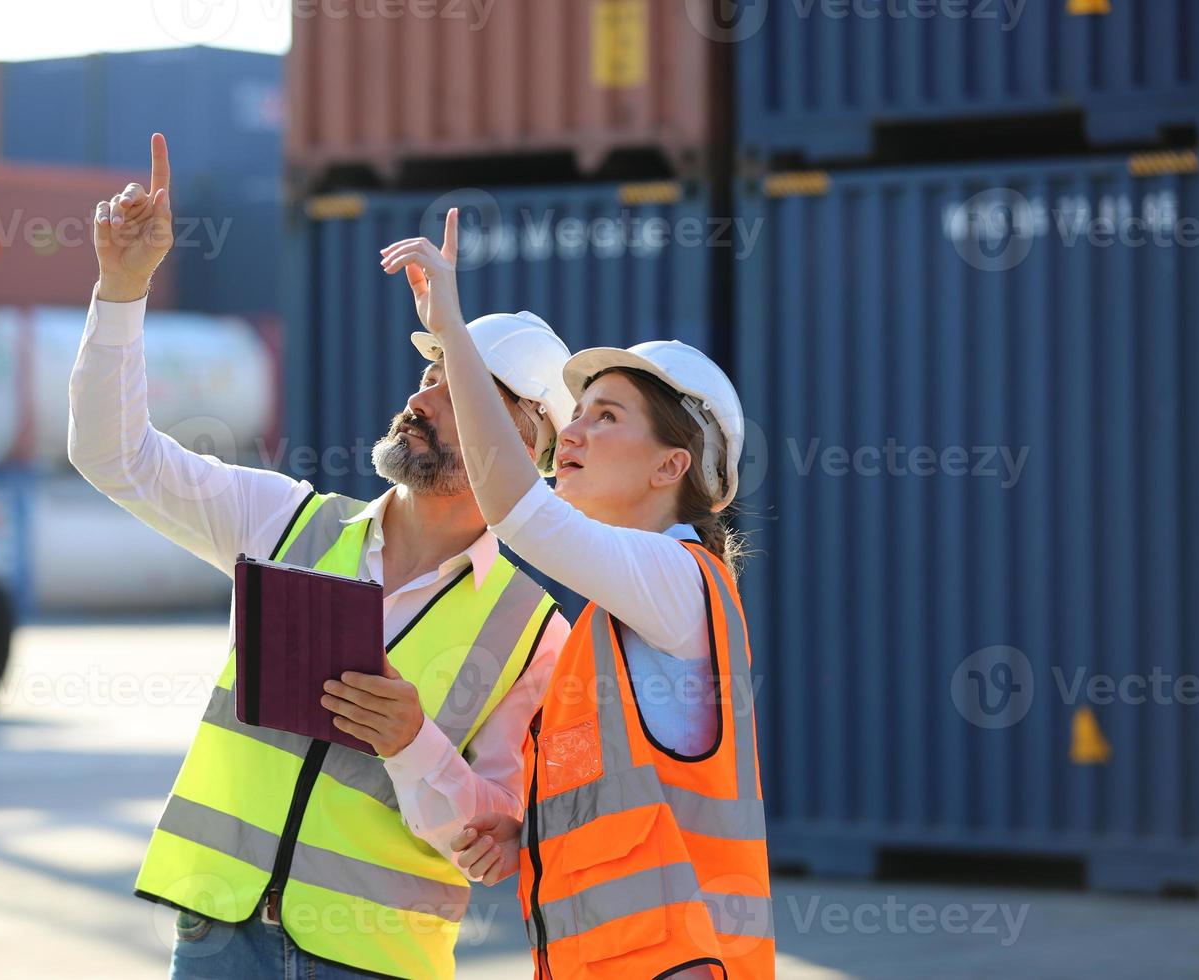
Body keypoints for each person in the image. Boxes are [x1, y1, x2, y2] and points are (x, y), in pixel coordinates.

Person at [69, 135, 576, 979]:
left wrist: (414, 742)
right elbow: (114, 457)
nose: (422, 397)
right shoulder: (284, 521)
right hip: (217, 937)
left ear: (519, 443)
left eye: (460, 393)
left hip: (373, 959)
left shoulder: (536, 635)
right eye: (432, 373)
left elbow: (492, 838)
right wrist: (122, 292)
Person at [381, 210, 775, 978]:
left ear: (672, 468)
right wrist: (524, 837)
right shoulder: (614, 618)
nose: (573, 434)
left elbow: (518, 513)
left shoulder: (678, 580)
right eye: (579, 414)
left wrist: (453, 333)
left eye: (607, 417)